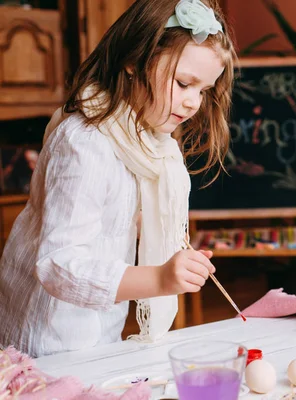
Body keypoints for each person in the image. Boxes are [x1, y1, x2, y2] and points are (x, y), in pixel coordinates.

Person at [0, 0, 236, 357]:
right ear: (133, 60)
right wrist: (159, 279)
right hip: (47, 341)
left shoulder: (142, 140)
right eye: (183, 83)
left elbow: (108, 214)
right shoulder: (86, 142)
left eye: (202, 91)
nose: (192, 103)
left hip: (98, 330)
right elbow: (58, 263)